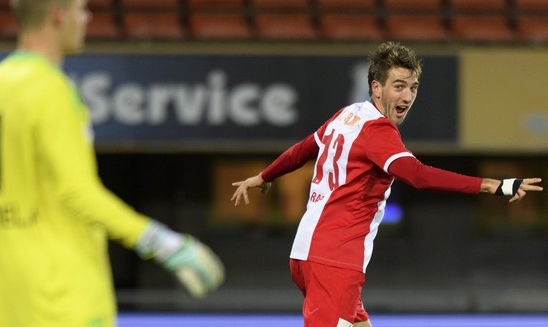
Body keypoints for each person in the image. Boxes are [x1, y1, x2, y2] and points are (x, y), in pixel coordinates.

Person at [231, 41, 542, 327]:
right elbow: (418, 175)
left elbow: (305, 148)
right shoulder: (379, 132)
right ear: (376, 88)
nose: (407, 96)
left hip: (306, 255)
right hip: (336, 261)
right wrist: (494, 186)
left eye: (413, 87)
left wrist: (264, 176)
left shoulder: (347, 115)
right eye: (399, 86)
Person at [0, 0, 224, 326]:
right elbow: (78, 192)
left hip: (10, 306)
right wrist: (163, 243)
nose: (87, 18)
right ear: (58, 16)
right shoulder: (52, 88)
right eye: (81, 9)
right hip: (67, 299)